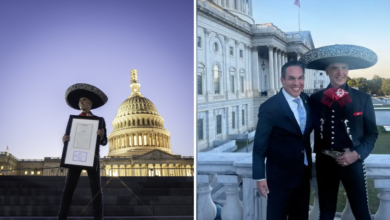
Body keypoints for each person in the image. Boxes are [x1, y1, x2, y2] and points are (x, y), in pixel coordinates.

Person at [300, 44, 378, 220]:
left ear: (348, 71)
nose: (340, 72)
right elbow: (305, 129)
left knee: (362, 213)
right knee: (326, 214)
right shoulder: (315, 99)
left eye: (344, 68)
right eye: (335, 68)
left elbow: (372, 133)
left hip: (353, 162)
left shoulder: (362, 98)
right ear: (327, 71)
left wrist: (357, 154)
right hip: (324, 162)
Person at [252, 60, 312, 220]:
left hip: (303, 176)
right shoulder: (269, 107)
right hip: (279, 179)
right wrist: (259, 177)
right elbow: (259, 147)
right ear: (282, 80)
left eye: (300, 78)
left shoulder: (306, 101)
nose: (297, 83)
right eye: (291, 78)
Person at [58, 83, 108, 220]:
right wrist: (65, 140)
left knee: (96, 189)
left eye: (83, 100)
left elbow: (104, 142)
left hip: (92, 158)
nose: (81, 102)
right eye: (79, 100)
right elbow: (70, 139)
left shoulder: (100, 121)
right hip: (74, 158)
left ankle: (98, 217)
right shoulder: (73, 120)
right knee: (69, 188)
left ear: (90, 103)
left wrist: (102, 136)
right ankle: (61, 216)